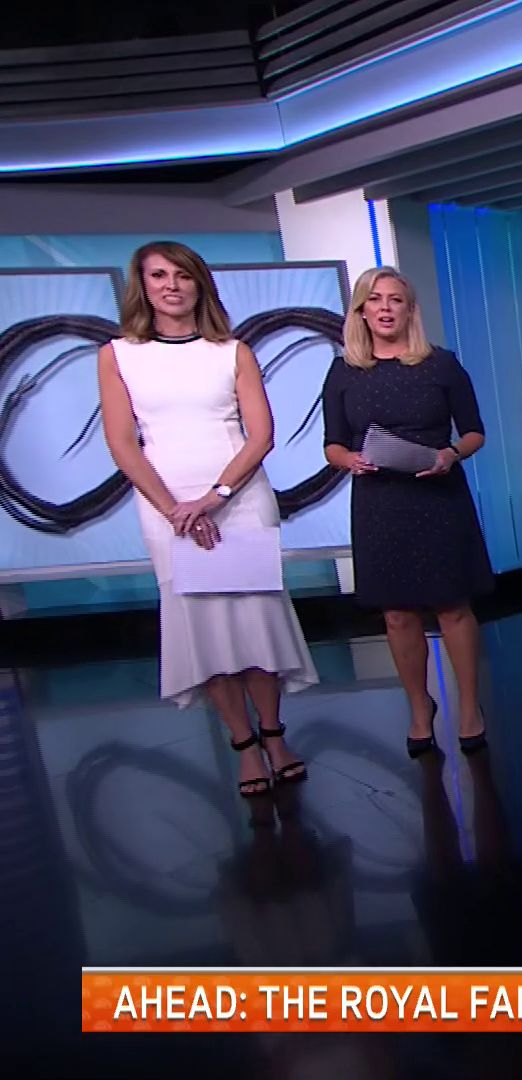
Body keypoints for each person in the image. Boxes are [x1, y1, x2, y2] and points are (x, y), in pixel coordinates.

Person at [96, 240, 318, 799]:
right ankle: (244, 747)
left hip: (239, 501)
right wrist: (175, 509)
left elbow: (260, 435)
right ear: (143, 286)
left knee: (255, 620)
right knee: (203, 628)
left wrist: (214, 497)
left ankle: (275, 736)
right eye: (158, 275)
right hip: (166, 508)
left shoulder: (233, 351)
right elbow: (122, 443)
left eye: (182, 275)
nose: (171, 286)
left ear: (200, 284)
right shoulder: (118, 355)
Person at [321, 267, 494, 757]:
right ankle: (420, 708)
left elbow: (475, 432)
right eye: (375, 300)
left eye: (395, 299)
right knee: (397, 614)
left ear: (409, 310)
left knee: (452, 606)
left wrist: (451, 454)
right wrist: (349, 460)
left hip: (437, 496)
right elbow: (333, 444)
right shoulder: (343, 371)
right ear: (361, 311)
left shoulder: (441, 364)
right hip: (380, 503)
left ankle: (469, 708)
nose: (385, 308)